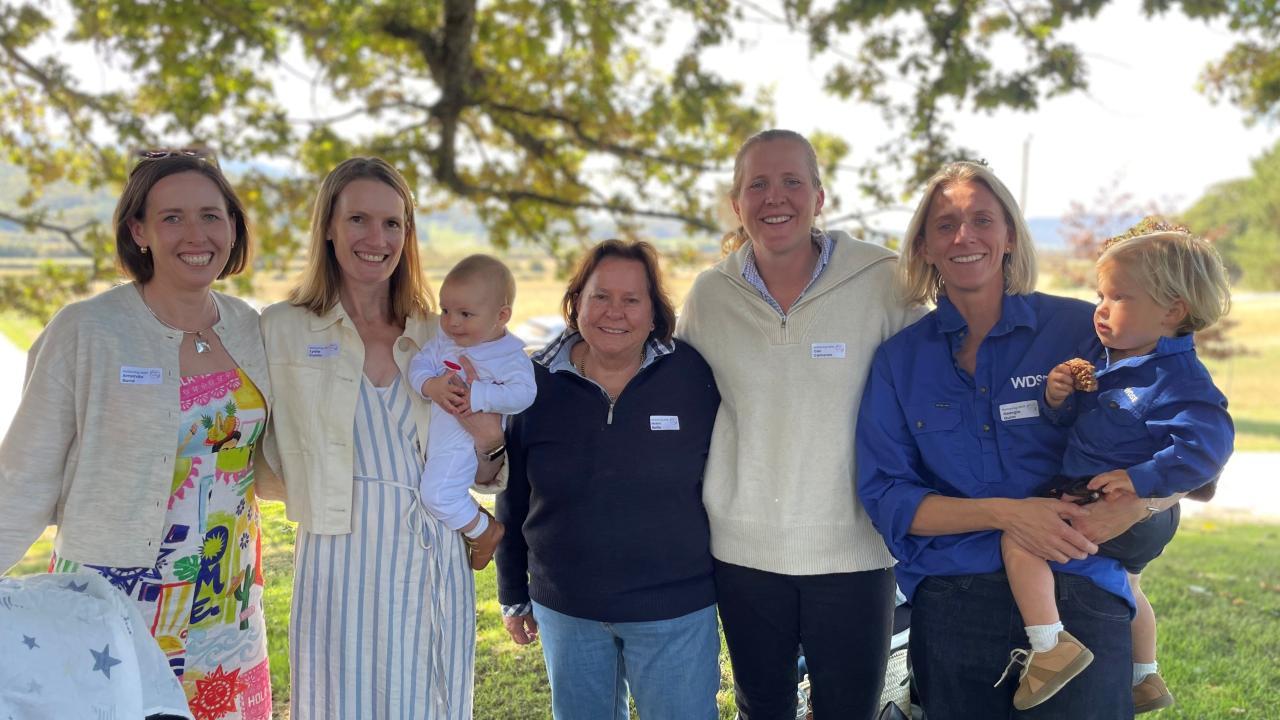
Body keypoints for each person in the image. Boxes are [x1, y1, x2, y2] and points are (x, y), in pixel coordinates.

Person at [856, 160, 1189, 720]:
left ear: (1009, 235)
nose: (964, 236)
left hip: (1079, 589)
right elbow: (887, 498)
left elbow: (1186, 431)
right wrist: (1008, 514)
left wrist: (1139, 507)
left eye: (982, 220)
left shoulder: (1084, 329)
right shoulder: (899, 361)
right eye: (945, 225)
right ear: (924, 247)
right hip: (953, 601)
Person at [0, 150, 273, 719]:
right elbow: (23, 475)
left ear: (232, 227)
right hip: (118, 598)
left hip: (227, 595)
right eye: (172, 217)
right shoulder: (87, 330)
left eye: (211, 215)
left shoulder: (248, 325)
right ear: (138, 231)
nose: (195, 234)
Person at [676, 129, 920, 719]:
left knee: (849, 710)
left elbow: (932, 388)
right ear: (737, 204)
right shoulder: (710, 295)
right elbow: (680, 402)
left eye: (791, 181)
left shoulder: (884, 280)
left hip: (855, 549)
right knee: (763, 706)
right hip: (743, 550)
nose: (775, 197)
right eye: (757, 184)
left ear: (819, 196)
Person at [260, 157, 506, 719]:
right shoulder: (281, 328)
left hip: (432, 551)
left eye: (392, 223)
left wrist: (490, 442)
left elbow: (486, 468)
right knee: (339, 701)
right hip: (337, 555)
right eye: (359, 220)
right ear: (329, 226)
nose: (377, 239)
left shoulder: (440, 332)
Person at [999, 228, 1234, 711]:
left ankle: (1049, 646)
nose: (1101, 310)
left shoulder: (1178, 380)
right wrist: (1058, 400)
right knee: (1129, 583)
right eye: (1100, 296)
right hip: (1129, 511)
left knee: (1020, 538)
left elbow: (1208, 450)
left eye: (1119, 297)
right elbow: (1085, 429)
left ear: (1172, 311)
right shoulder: (1115, 362)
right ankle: (1145, 675)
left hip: (1123, 507)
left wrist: (1138, 479)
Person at [495, 240, 721, 720]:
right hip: (568, 611)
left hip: (674, 611)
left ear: (654, 313)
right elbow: (513, 496)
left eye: (631, 299)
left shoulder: (692, 375)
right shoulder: (533, 383)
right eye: (600, 296)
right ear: (576, 303)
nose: (614, 312)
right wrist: (512, 591)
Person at [408, 254, 535, 571]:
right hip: (439, 436)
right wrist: (431, 385)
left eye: (465, 314)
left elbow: (523, 394)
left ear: (501, 316)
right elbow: (418, 365)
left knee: (436, 494)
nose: (452, 322)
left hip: (463, 442)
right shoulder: (445, 342)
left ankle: (483, 531)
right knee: (438, 488)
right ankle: (476, 526)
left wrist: (479, 395)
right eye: (445, 310)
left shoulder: (509, 356)